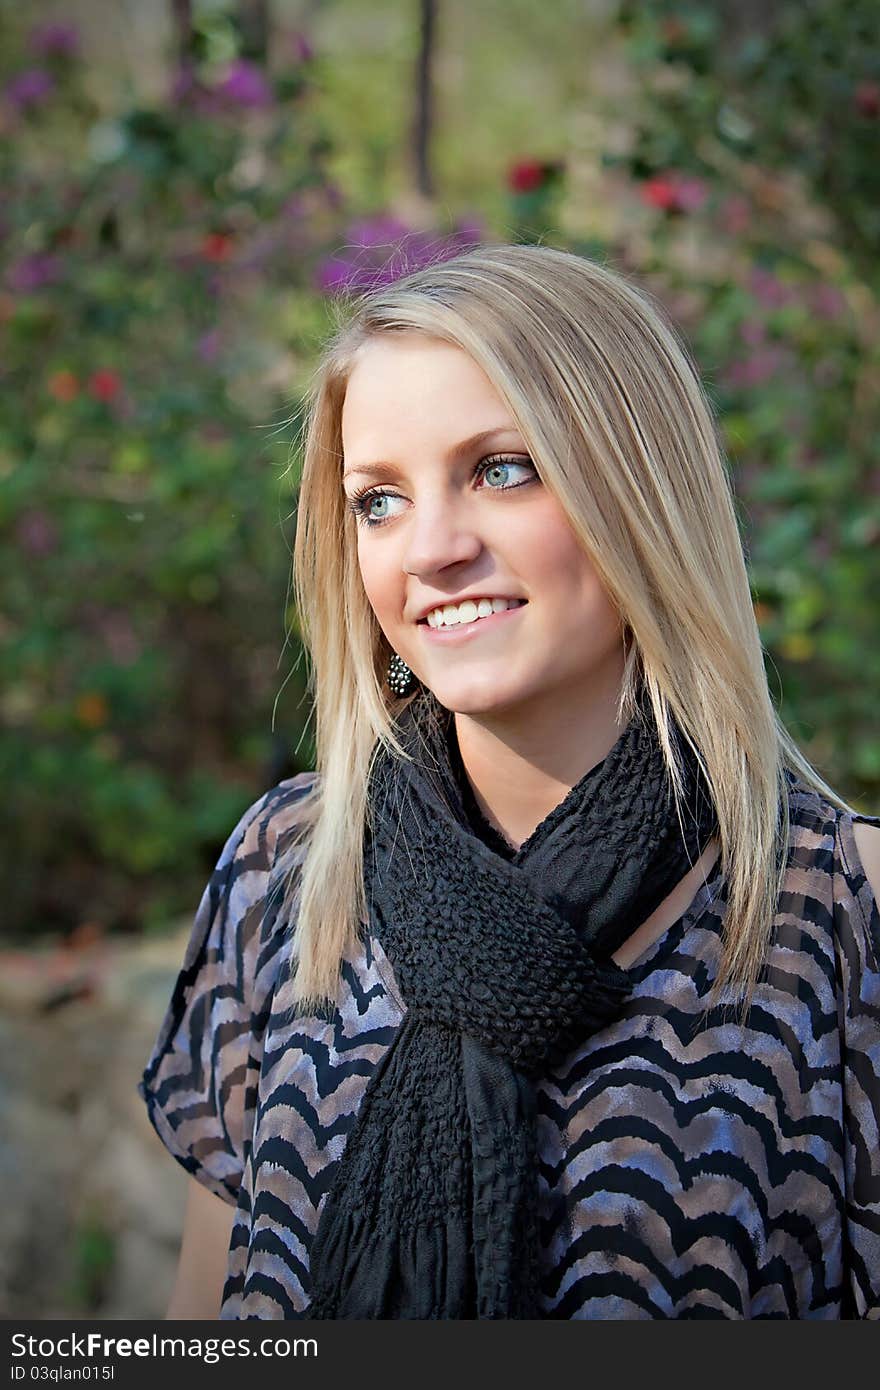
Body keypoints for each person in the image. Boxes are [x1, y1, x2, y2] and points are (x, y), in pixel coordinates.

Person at [139, 244, 880, 1320]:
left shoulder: (847, 906)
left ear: (639, 495)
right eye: (378, 500)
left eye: (501, 468)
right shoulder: (286, 870)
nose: (429, 548)